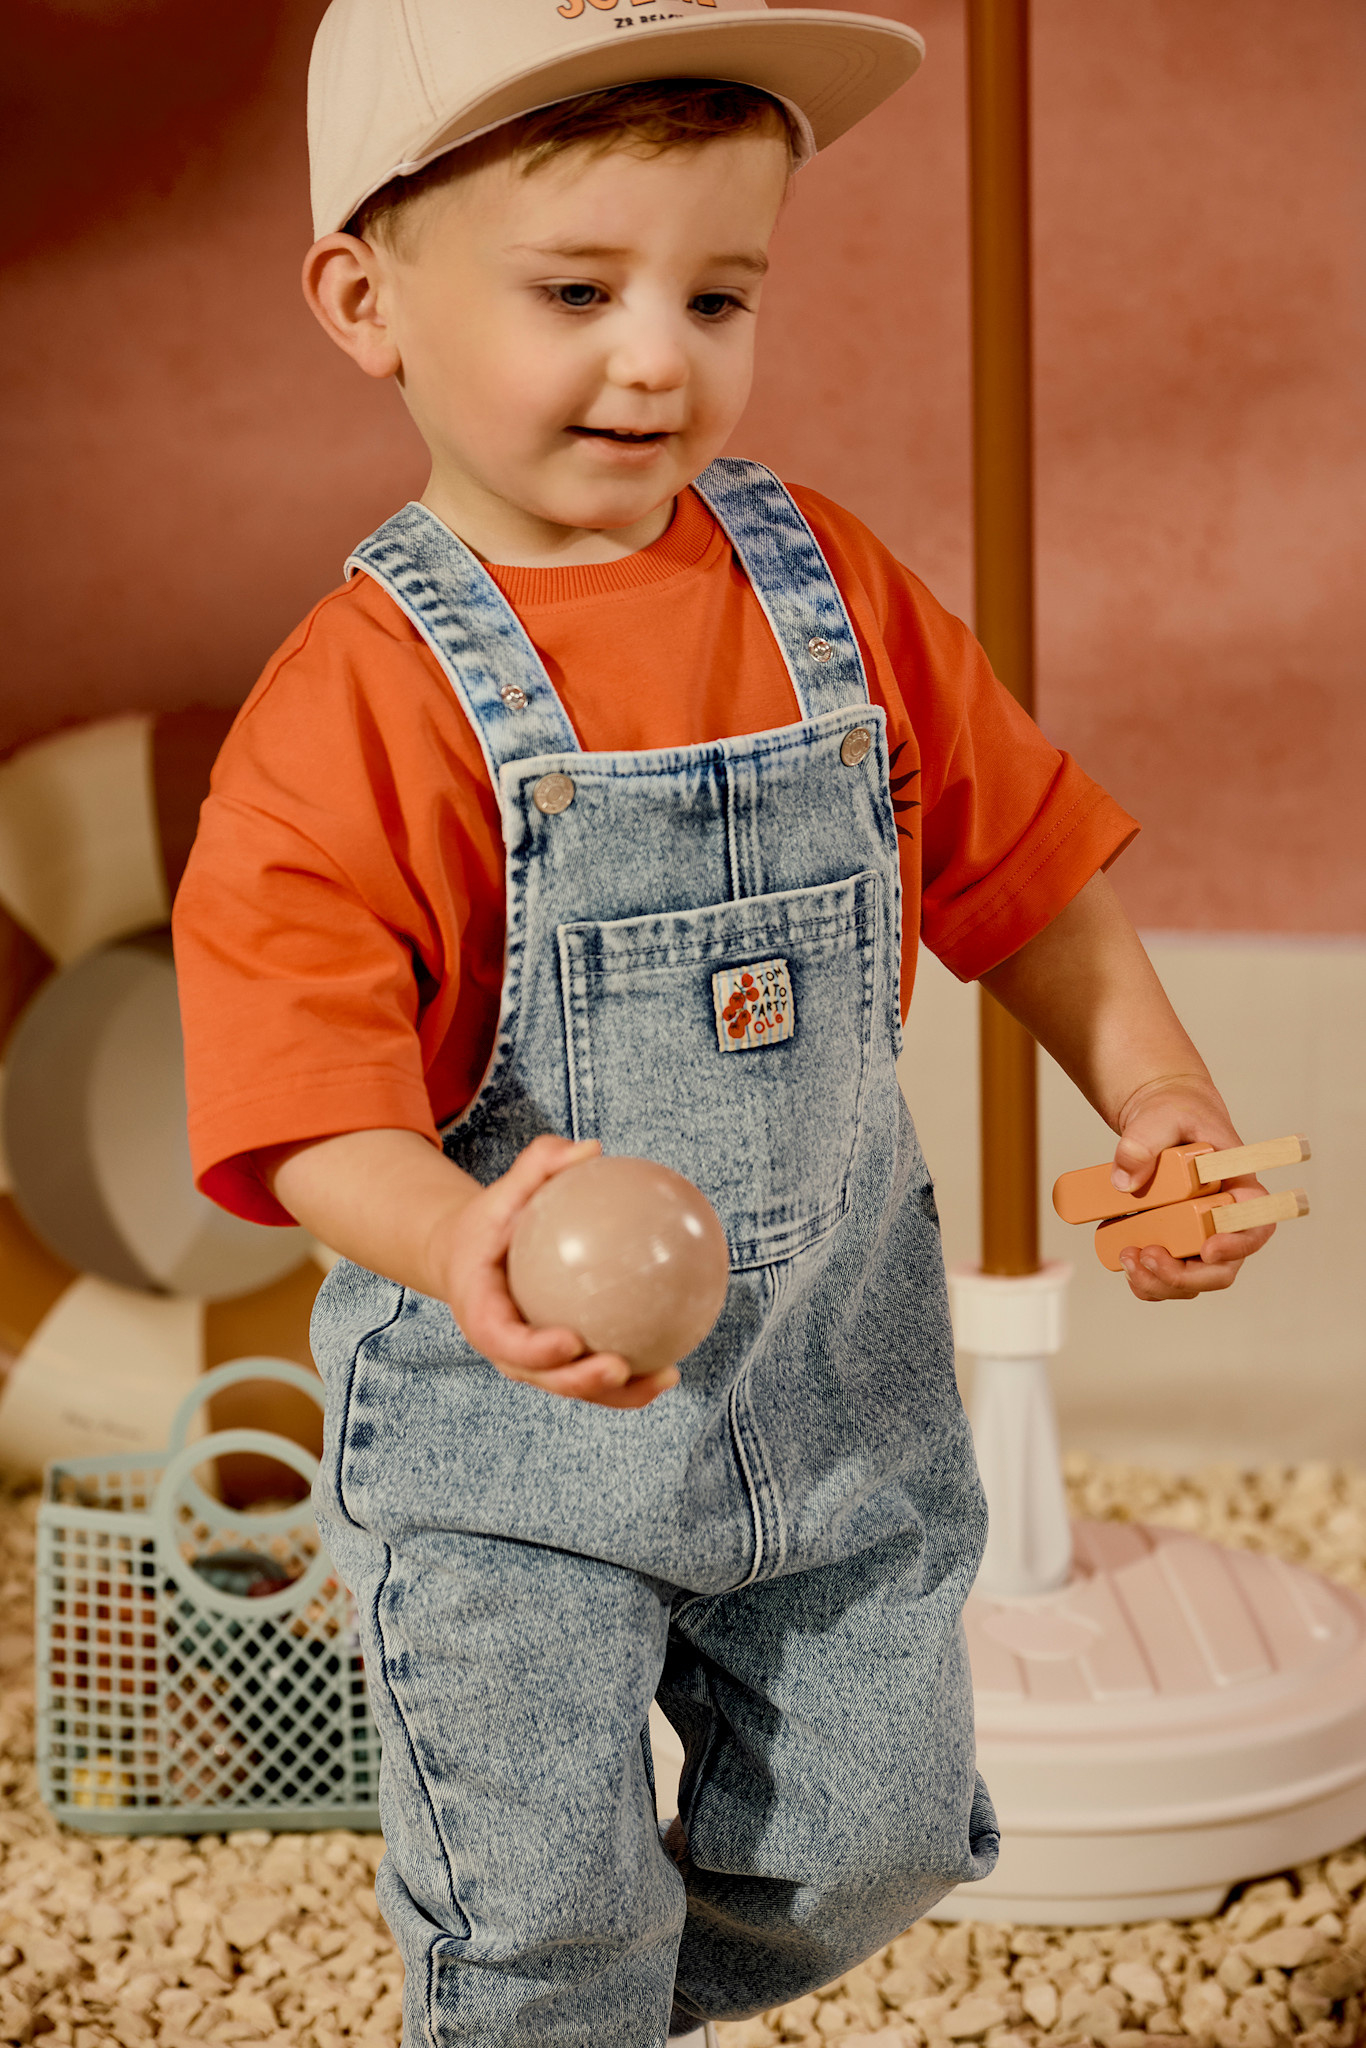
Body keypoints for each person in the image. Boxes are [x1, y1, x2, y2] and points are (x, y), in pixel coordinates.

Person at [172, 0, 1276, 2039]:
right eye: (575, 290)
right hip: (510, 1453)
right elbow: (304, 1096)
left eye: (717, 292)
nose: (657, 356)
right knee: (540, 1918)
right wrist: (460, 1236)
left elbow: (1030, 873)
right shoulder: (355, 707)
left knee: (876, 1842)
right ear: (364, 299)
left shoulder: (824, 589)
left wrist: (1156, 1091)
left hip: (835, 1402)